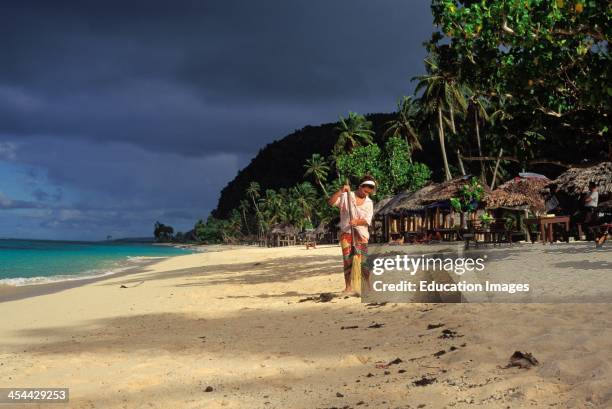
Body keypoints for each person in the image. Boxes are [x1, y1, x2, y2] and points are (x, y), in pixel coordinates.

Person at [328, 175, 375, 293]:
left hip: (361, 235)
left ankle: (367, 286)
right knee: (347, 260)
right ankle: (348, 287)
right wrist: (341, 191)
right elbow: (331, 202)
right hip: (347, 233)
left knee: (363, 261)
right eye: (364, 191)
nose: (366, 194)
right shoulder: (346, 196)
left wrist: (357, 222)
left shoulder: (369, 202)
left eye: (368, 192)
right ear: (360, 187)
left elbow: (367, 220)